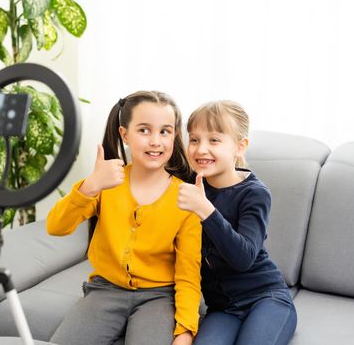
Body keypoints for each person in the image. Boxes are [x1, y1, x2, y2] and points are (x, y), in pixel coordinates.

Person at [46, 91, 202, 345]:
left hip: (159, 298)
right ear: (124, 134)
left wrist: (185, 331)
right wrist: (90, 186)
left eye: (165, 131)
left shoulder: (186, 198)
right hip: (105, 290)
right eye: (144, 130)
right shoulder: (105, 183)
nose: (156, 141)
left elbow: (188, 274)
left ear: (175, 135)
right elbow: (56, 226)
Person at [177, 100, 297, 345]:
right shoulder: (189, 186)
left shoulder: (254, 193)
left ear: (240, 147)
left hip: (266, 298)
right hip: (222, 308)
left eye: (214, 140)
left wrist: (206, 211)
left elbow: (243, 258)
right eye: (194, 139)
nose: (201, 149)